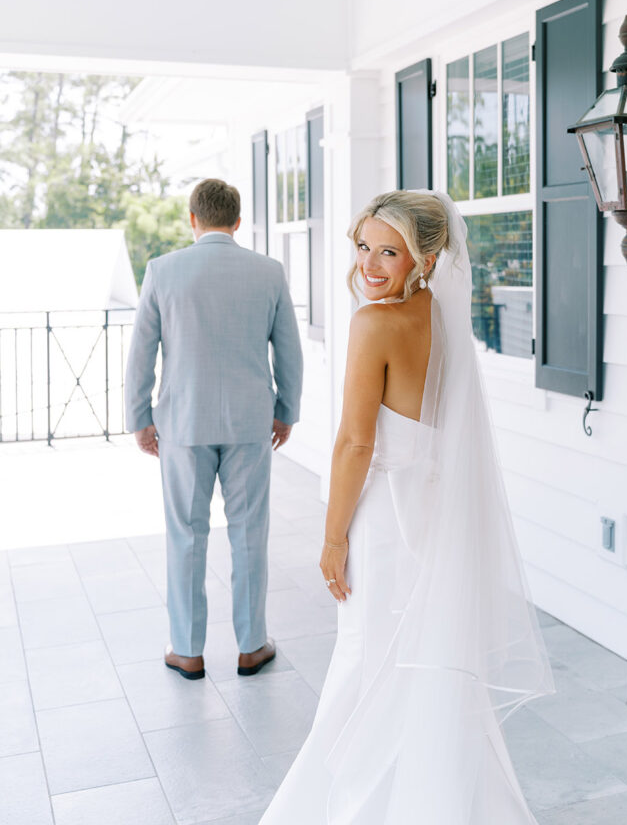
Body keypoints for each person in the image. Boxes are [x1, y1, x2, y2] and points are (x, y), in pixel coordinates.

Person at [260, 190, 553, 823]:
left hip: (387, 523)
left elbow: (355, 442)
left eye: (388, 251)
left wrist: (333, 537)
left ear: (426, 255)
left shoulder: (375, 323)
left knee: (368, 660)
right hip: (432, 512)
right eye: (363, 246)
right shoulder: (441, 318)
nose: (369, 263)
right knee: (421, 667)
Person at [125, 178, 303, 680]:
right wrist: (286, 410)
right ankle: (251, 646)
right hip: (250, 422)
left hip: (182, 423)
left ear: (192, 218)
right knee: (249, 534)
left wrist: (140, 418)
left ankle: (186, 649)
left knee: (186, 535)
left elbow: (141, 354)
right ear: (238, 221)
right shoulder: (268, 272)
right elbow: (288, 349)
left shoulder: (163, 271)